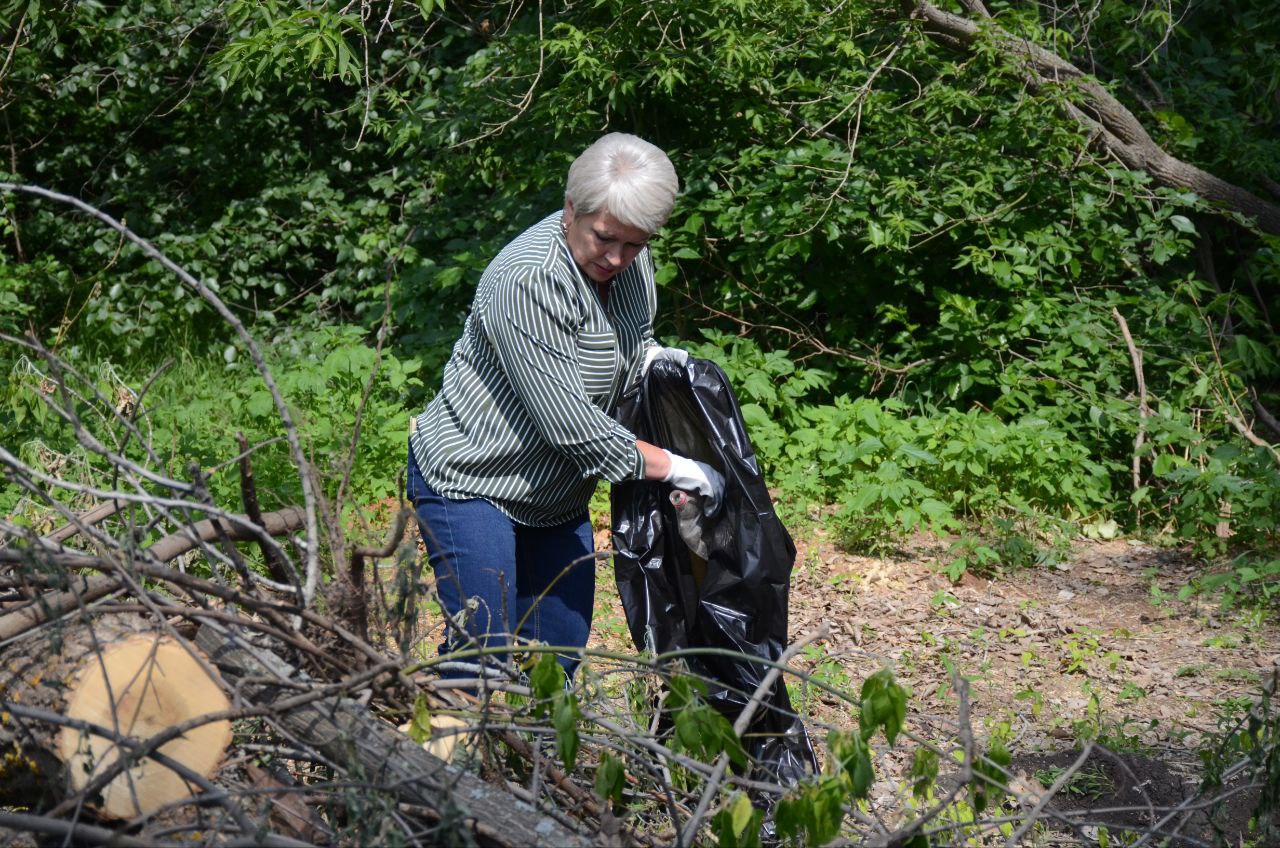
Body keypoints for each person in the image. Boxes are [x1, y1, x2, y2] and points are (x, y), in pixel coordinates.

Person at [407, 132, 724, 678]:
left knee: (557, 654)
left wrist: (657, 366)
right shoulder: (529, 279)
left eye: (635, 244)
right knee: (480, 653)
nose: (617, 257)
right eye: (605, 238)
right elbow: (574, 428)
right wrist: (677, 467)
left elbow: (633, 341)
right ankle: (440, 762)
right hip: (472, 480)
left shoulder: (627, 263)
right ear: (571, 209)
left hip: (554, 495)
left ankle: (534, 764)